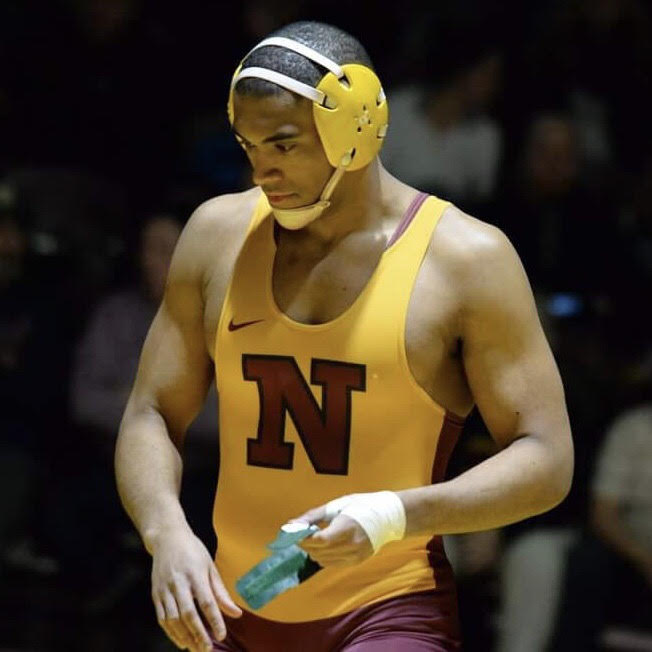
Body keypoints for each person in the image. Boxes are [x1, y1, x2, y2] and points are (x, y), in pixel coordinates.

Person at [115, 21, 573, 652]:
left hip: (385, 608)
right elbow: (150, 412)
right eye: (249, 147)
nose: (262, 173)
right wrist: (167, 535)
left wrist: (395, 514)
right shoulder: (215, 235)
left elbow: (548, 460)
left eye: (283, 145)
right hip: (234, 603)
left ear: (356, 126)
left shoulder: (466, 259)